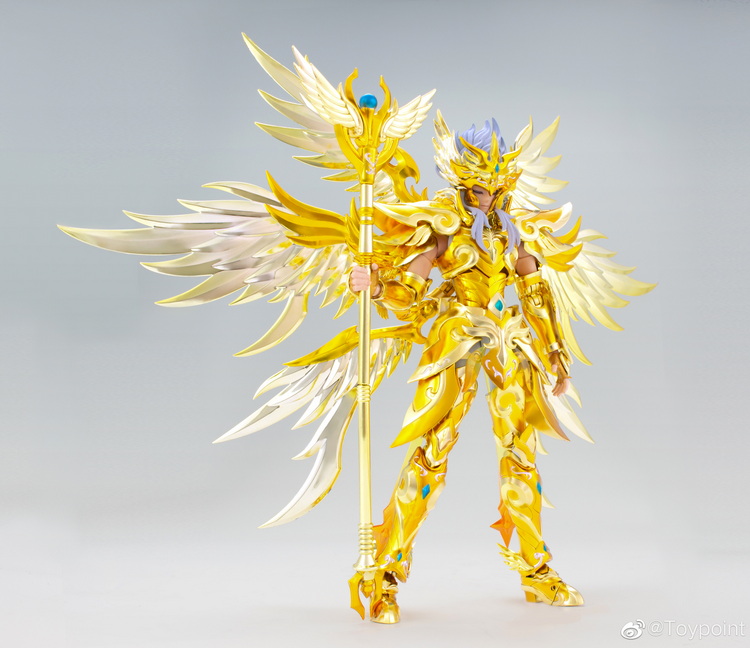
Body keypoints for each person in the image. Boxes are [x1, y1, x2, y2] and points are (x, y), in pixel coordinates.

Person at [349, 119, 585, 623]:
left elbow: (535, 291)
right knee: (431, 454)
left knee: (521, 457)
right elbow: (410, 291)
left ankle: (536, 568)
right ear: (462, 180)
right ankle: (384, 574)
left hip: (510, 344)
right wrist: (375, 286)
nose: (489, 197)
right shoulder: (440, 225)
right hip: (456, 341)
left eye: (498, 188)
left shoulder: (512, 227)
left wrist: (555, 353)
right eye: (481, 188)